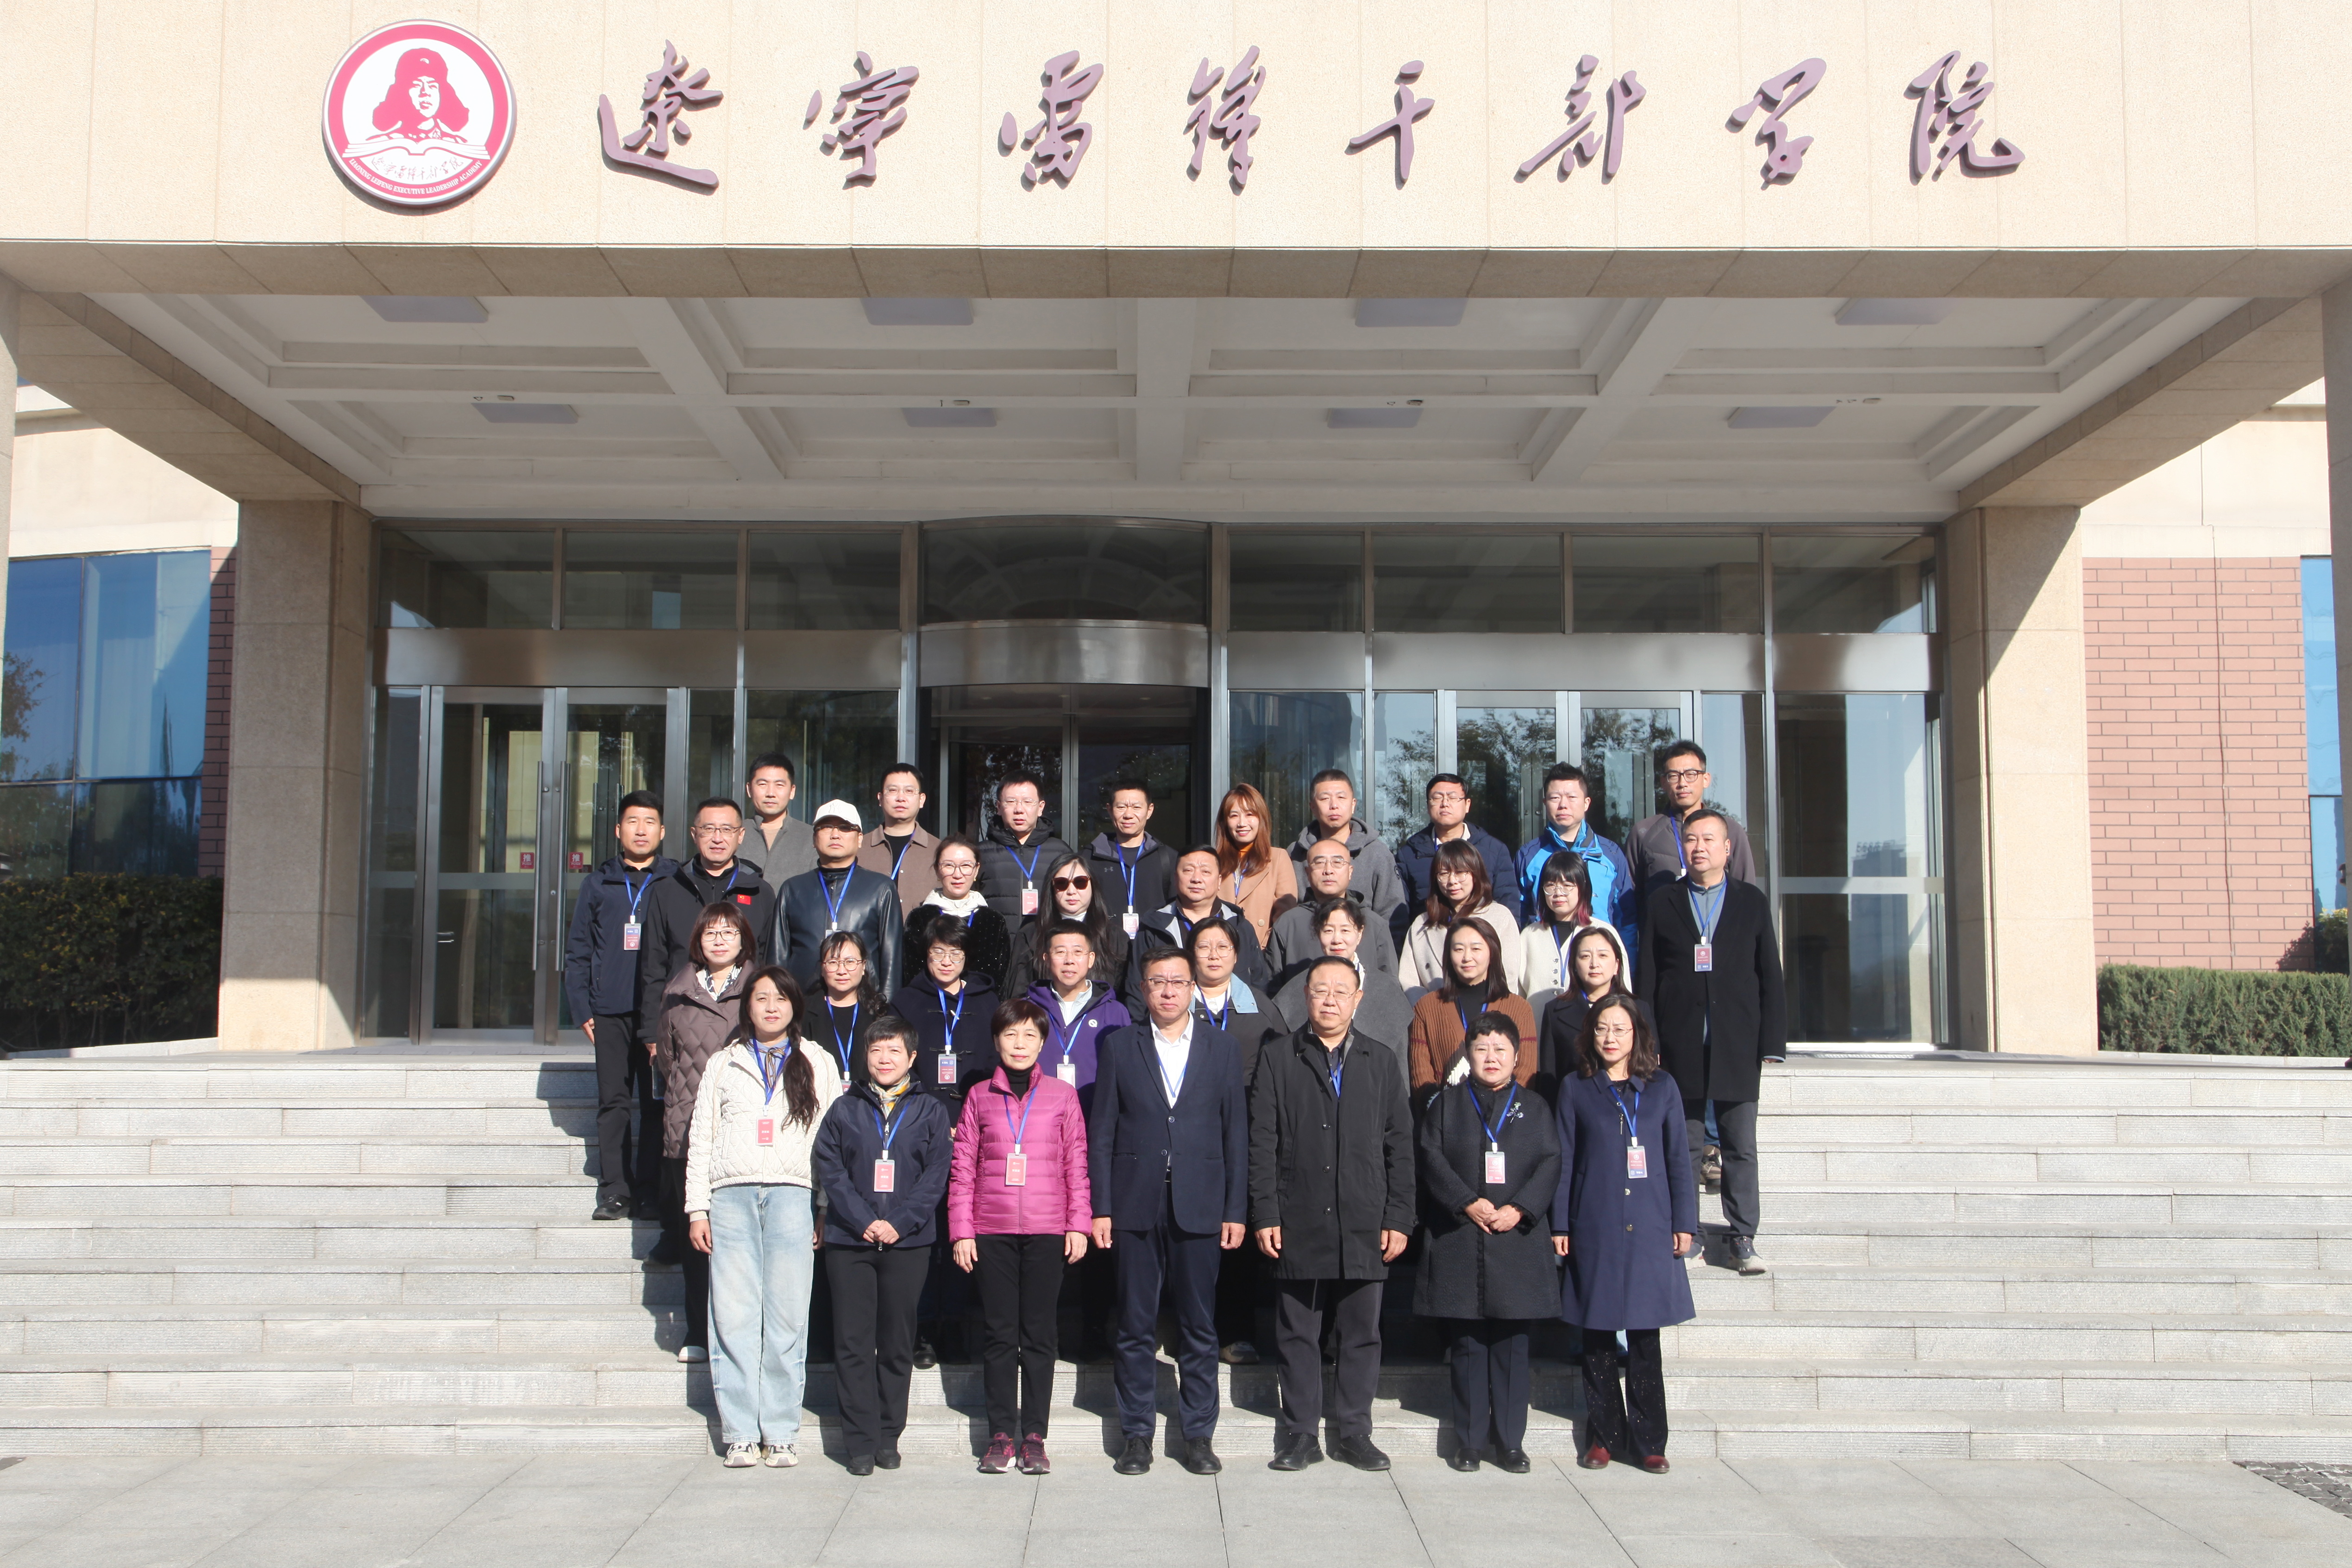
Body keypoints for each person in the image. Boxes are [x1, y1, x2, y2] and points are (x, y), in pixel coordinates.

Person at [1089, 947, 1250, 1476]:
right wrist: (1101, 1206)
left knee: (1199, 1324)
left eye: (1178, 981)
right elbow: (1103, 1130)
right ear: (1143, 988)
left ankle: (1198, 1435)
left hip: (1201, 1201)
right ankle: (1136, 1434)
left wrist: (1235, 1208)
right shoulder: (1120, 1045)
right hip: (1135, 1201)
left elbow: (1235, 1132)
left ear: (1193, 988)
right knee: (1135, 1324)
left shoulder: (1222, 1047)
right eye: (1158, 981)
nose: (1168, 990)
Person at [1249, 956, 1414, 1473]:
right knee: (1298, 1331)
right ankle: (1301, 1432)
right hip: (1298, 1213)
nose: (1330, 1000)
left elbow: (1400, 1145)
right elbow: (1262, 1141)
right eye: (1320, 990)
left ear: (1358, 999)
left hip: (1365, 1216)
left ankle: (1354, 1431)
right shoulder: (1278, 1057)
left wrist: (1399, 1216)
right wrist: (1265, 1212)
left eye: (1341, 991)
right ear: (1305, 995)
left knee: (1361, 1332)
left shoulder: (1380, 1060)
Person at [686, 963, 842, 1468]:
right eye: (761, 998)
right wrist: (697, 1207)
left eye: (781, 998)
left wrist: (825, 1207)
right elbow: (702, 1137)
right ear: (747, 1007)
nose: (771, 1007)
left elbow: (831, 1143)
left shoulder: (817, 1060)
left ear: (795, 1005)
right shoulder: (725, 1062)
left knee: (787, 1315)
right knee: (733, 1315)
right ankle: (739, 1431)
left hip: (793, 1195)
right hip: (730, 1197)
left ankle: (780, 1431)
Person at [1552, 995, 1697, 1473]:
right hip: (1594, 1223)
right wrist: (1561, 1222)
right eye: (1601, 1029)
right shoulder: (1576, 1087)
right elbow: (1566, 1160)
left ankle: (1649, 1439)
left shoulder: (1662, 1087)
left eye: (1619, 1028)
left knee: (1644, 1336)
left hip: (1651, 1223)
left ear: (1637, 1034)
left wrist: (1684, 1221)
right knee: (1596, 1335)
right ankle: (1604, 1436)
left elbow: (1678, 1158)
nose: (1610, 1037)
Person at [1637, 808, 1782, 1278]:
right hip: (1679, 1042)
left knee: (1740, 1145)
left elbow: (1769, 973)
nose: (1698, 847)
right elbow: (1648, 976)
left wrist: (1772, 1041)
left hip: (1736, 1040)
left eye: (1708, 839)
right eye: (1691, 839)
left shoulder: (1750, 901)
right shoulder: (1664, 901)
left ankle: (1743, 1236)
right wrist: (1648, 1039)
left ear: (1727, 848)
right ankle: (1689, 1233)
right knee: (1686, 1144)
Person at [949, 998, 1092, 1476]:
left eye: (1030, 1035)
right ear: (996, 1040)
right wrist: (962, 1230)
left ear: (1042, 1042)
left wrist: (1078, 1223)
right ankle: (1000, 1434)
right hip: (991, 1229)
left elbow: (1076, 1163)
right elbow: (963, 1168)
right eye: (1011, 1034)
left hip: (1048, 1228)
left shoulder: (1062, 1096)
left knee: (1039, 1334)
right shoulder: (978, 1096)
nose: (1019, 1043)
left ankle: (1033, 1435)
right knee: (998, 1334)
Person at [1416, 1013, 1560, 1474]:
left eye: (1500, 1049)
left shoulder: (1535, 1107)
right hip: (1462, 1236)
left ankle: (1511, 1442)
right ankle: (1470, 1441)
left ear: (1517, 1057)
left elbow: (1551, 1161)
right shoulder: (1447, 1104)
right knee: (1468, 1345)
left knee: (1513, 1347)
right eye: (1481, 1048)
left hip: (1517, 1238)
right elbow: (1430, 1157)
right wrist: (1465, 1201)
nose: (1491, 1057)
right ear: (1468, 1055)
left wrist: (1520, 1207)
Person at [813, 1013, 954, 1475]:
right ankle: (859, 1440)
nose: (885, 1058)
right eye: (876, 1050)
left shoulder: (931, 1110)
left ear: (912, 1057)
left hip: (907, 1243)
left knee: (896, 1343)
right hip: (849, 1242)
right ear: (866, 1056)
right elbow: (830, 1168)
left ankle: (889, 1434)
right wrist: (864, 1221)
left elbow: (936, 1175)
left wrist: (899, 1222)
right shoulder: (843, 1108)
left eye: (894, 1050)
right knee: (853, 1343)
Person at [648, 903, 759, 1355]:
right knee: (697, 1237)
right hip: (687, 1128)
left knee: (740, 1240)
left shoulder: (760, 990)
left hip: (741, 1130)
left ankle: (740, 1332)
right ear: (697, 939)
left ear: (743, 940)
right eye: (711, 932)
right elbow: (667, 1059)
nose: (719, 939)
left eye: (729, 932)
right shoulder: (677, 992)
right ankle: (697, 1331)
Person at [564, 788, 674, 1223]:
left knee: (655, 1104)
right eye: (632, 822)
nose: (641, 830)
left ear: (662, 831)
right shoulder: (599, 883)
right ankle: (615, 1190)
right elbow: (578, 951)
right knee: (613, 1102)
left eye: (649, 822)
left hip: (658, 1014)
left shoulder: (674, 879)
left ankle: (648, 1190)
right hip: (608, 1013)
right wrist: (582, 1010)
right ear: (618, 830)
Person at [637, 797, 778, 999]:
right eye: (709, 829)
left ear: (740, 835)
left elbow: (768, 962)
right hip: (681, 1006)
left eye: (727, 830)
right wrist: (653, 1019)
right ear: (694, 834)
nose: (717, 839)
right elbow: (653, 966)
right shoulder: (668, 889)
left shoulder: (759, 891)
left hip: (742, 1009)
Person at [1273, 898, 1414, 1081]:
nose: (1337, 940)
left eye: (1345, 930)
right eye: (1328, 931)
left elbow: (1400, 1068)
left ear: (1360, 933)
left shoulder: (1387, 990)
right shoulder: (1294, 991)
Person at [774, 799, 902, 1001]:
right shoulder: (793, 889)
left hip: (864, 1004)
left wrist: (886, 1007)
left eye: (845, 828)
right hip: (803, 1004)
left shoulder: (881, 888)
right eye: (826, 827)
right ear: (814, 838)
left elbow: (892, 958)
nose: (835, 834)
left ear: (860, 838)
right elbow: (777, 957)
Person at [1407, 917, 1539, 1102]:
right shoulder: (1426, 1007)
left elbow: (1525, 1071)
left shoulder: (1519, 1009)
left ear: (1492, 953)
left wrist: (1496, 1109)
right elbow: (1421, 1073)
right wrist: (1443, 1109)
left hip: (1503, 1114)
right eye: (1458, 949)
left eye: (1476, 949)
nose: (1467, 957)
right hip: (1445, 1112)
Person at [1513, 764, 1638, 959]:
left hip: (1597, 963)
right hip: (1546, 959)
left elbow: (1627, 920)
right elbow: (1517, 917)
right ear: (1545, 803)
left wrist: (1626, 967)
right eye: (1555, 798)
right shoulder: (1528, 855)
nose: (1563, 805)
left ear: (1586, 803)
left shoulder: (1611, 854)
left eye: (1572, 797)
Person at [1127, 845, 1273, 1010]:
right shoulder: (1154, 926)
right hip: (1168, 1020)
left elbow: (1258, 982)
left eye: (1206, 872)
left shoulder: (1239, 925)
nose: (1196, 879)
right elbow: (1136, 988)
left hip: (1233, 1018)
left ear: (1219, 881)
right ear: (1176, 877)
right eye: (1188, 871)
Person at [1626, 741, 1760, 914]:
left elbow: (1746, 894)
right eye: (1674, 776)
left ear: (1706, 779)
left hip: (1719, 927)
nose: (1683, 783)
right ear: (1663, 783)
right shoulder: (1643, 833)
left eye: (1691, 774)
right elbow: (1630, 899)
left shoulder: (1731, 830)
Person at [1395, 773, 1522, 943]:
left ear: (1467, 804)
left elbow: (1509, 905)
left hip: (1482, 947)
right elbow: (1402, 914)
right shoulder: (1410, 854)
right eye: (1437, 798)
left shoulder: (1494, 850)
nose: (1445, 804)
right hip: (1430, 944)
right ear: (1428, 805)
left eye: (1453, 798)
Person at [1266, 836, 1400, 986]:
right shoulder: (1289, 923)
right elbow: (1272, 986)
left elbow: (1390, 987)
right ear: (1307, 872)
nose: (1328, 871)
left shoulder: (1374, 923)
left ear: (1350, 871)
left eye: (1337, 862)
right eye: (1319, 863)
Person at [889, 922, 999, 1102]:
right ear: (927, 953)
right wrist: (921, 1101)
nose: (946, 962)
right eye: (938, 952)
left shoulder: (987, 1001)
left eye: (955, 954)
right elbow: (896, 1055)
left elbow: (997, 1055)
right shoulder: (906, 1001)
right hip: (920, 1107)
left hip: (979, 1105)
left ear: (966, 956)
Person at [1399, 840, 1526, 997]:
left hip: (1489, 1008)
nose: (1452, 881)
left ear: (1475, 874)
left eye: (1460, 873)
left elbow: (1509, 977)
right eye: (1444, 874)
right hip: (1434, 1010)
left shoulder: (1500, 917)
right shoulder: (1422, 924)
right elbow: (1410, 982)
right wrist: (1431, 1010)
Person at [1283, 770, 1406, 928]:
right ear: (1312, 806)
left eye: (1341, 798)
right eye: (1325, 799)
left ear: (1353, 804)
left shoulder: (1377, 853)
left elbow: (1393, 917)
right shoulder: (1295, 853)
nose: (1334, 806)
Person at [1024, 919, 1133, 1095]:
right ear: (1046, 959)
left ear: (1091, 959)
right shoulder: (1026, 1010)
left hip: (1094, 1109)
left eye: (1078, 952)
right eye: (1060, 952)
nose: (1069, 960)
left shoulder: (1115, 1012)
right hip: (1040, 1109)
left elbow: (1126, 1072)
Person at [1537, 924, 1643, 1099]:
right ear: (1574, 965)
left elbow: (1647, 1068)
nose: (1594, 964)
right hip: (1575, 1107)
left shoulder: (1639, 1009)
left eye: (1603, 956)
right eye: (1586, 956)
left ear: (1617, 965)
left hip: (1629, 1106)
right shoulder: (1554, 1011)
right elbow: (1550, 1078)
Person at [1003, 851, 1129, 997]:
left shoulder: (1116, 938)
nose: (1071, 891)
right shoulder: (1030, 936)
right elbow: (1018, 995)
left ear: (1093, 885)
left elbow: (1123, 996)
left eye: (1080, 882)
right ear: (1051, 888)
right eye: (1061, 884)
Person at [903, 836, 1011, 989]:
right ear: (937, 870)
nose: (958, 875)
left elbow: (1000, 979)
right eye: (949, 866)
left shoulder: (993, 920)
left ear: (976, 870)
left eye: (966, 866)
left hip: (981, 1001)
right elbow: (912, 975)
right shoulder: (921, 918)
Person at [1187, 917, 1282, 1079]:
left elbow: (1282, 1062)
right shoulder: (1175, 1004)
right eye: (1204, 947)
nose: (1214, 955)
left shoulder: (1260, 1007)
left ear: (1236, 956)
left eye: (1223, 947)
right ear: (1191, 955)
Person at [1084, 777, 1178, 941]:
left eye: (1136, 807)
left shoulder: (1168, 858)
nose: (1128, 815)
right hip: (1105, 947)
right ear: (1109, 810)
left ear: (1149, 811)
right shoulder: (1090, 857)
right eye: (1121, 807)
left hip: (1154, 947)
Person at [976, 771, 1074, 921]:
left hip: (1046, 935)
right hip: (996, 936)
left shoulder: (1061, 852)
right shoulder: (981, 853)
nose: (1019, 810)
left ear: (1041, 807)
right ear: (999, 807)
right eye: (1011, 802)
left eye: (1028, 802)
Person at [857, 763, 941, 919]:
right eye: (893, 790)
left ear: (922, 800)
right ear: (880, 798)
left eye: (909, 791)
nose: (901, 798)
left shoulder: (940, 851)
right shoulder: (859, 848)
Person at [1215, 784, 1294, 948]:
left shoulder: (1278, 858)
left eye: (1250, 814)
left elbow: (1286, 915)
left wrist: (1264, 948)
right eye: (1234, 816)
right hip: (1219, 952)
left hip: (1261, 952)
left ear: (1261, 818)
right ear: (1225, 822)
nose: (1242, 823)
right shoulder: (1213, 861)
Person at [1521, 853, 1600, 1012]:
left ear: (1583, 887)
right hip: (1538, 1024)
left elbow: (1622, 990)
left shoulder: (1602, 932)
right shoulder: (1530, 935)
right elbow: (1517, 994)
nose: (1558, 893)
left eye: (1567, 885)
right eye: (1551, 886)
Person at [807, 931, 885, 1086]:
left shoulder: (879, 1014)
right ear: (822, 968)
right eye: (833, 962)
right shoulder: (805, 1013)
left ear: (863, 966)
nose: (842, 971)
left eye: (850, 962)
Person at [740, 752, 817, 889]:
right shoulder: (734, 834)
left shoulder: (811, 837)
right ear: (749, 789)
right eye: (763, 784)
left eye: (779, 785)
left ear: (792, 791)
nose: (771, 793)